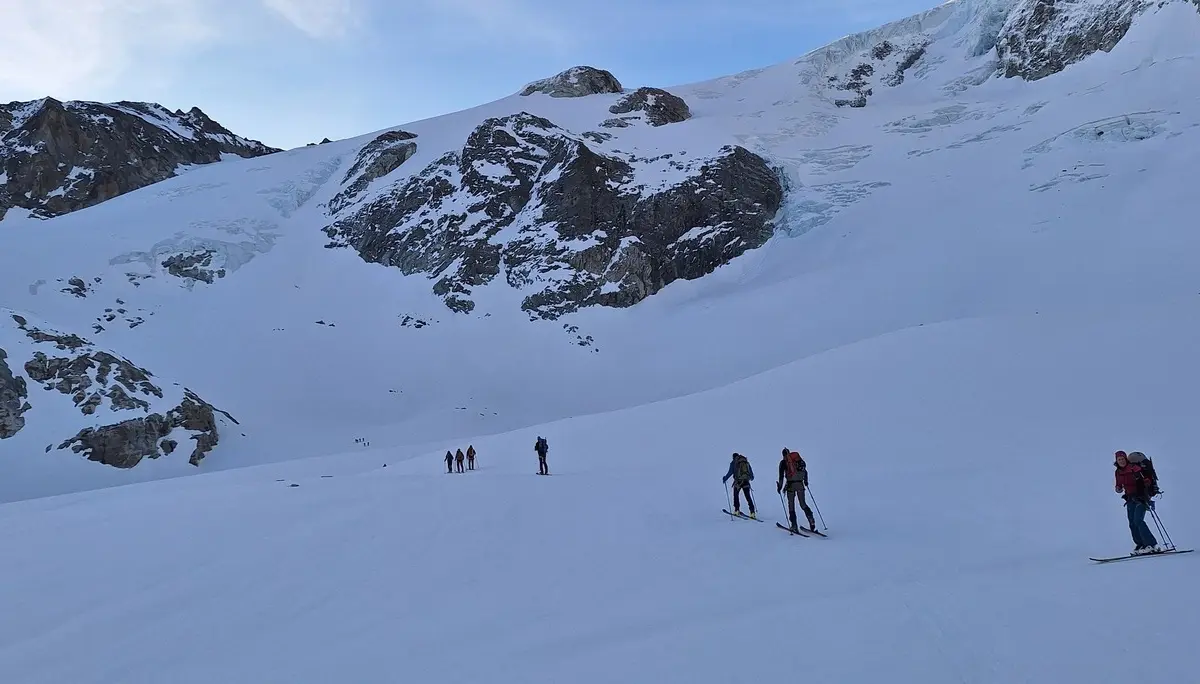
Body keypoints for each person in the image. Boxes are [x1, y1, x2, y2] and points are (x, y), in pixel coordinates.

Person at [1114, 450, 1161, 555]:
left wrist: (1147, 486)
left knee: (1138, 520)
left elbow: (1146, 480)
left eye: (1122, 459)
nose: (1121, 461)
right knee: (1132, 523)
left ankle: (1151, 544)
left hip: (1142, 497)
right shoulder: (1118, 472)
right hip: (1130, 498)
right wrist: (1118, 488)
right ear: (1116, 461)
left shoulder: (1134, 468)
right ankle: (1141, 545)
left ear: (1126, 459)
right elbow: (1119, 484)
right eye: (1119, 459)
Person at [777, 448, 816, 533]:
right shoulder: (798, 461)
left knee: (791, 506)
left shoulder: (783, 462)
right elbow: (805, 472)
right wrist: (806, 482)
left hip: (790, 485)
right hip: (800, 484)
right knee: (803, 504)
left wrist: (779, 487)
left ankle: (794, 526)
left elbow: (781, 477)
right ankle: (811, 519)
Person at [722, 452, 756, 518]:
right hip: (746, 481)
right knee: (748, 496)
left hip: (738, 482)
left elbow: (730, 472)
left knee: (736, 495)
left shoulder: (734, 463)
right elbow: (751, 473)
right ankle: (752, 512)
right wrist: (751, 478)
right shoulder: (745, 462)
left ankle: (736, 510)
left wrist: (725, 478)